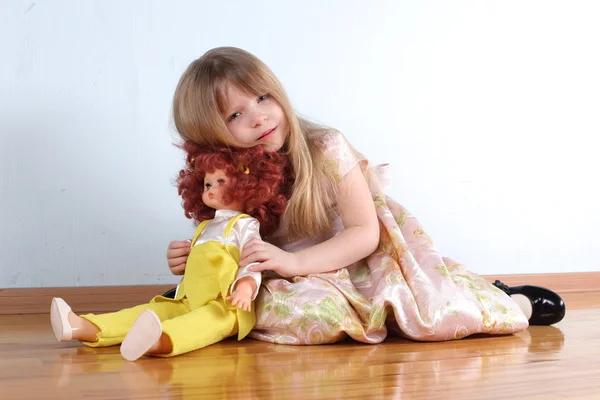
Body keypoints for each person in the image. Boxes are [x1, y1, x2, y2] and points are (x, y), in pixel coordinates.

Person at [166, 47, 565, 345]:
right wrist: (199, 257)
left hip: (355, 259)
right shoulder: (228, 176)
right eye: (235, 115)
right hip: (285, 274)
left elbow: (362, 234)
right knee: (276, 307)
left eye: (263, 97)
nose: (259, 116)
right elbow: (233, 236)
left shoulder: (326, 148)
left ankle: (505, 300)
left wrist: (294, 262)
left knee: (427, 313)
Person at [50, 146, 290, 360]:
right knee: (152, 311)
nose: (212, 190)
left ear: (246, 187)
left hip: (226, 304)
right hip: (187, 299)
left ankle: (157, 342)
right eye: (208, 184)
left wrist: (246, 287)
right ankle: (81, 326)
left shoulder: (245, 225)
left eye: (221, 182)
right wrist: (183, 256)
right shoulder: (205, 228)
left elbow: (252, 259)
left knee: (202, 323)